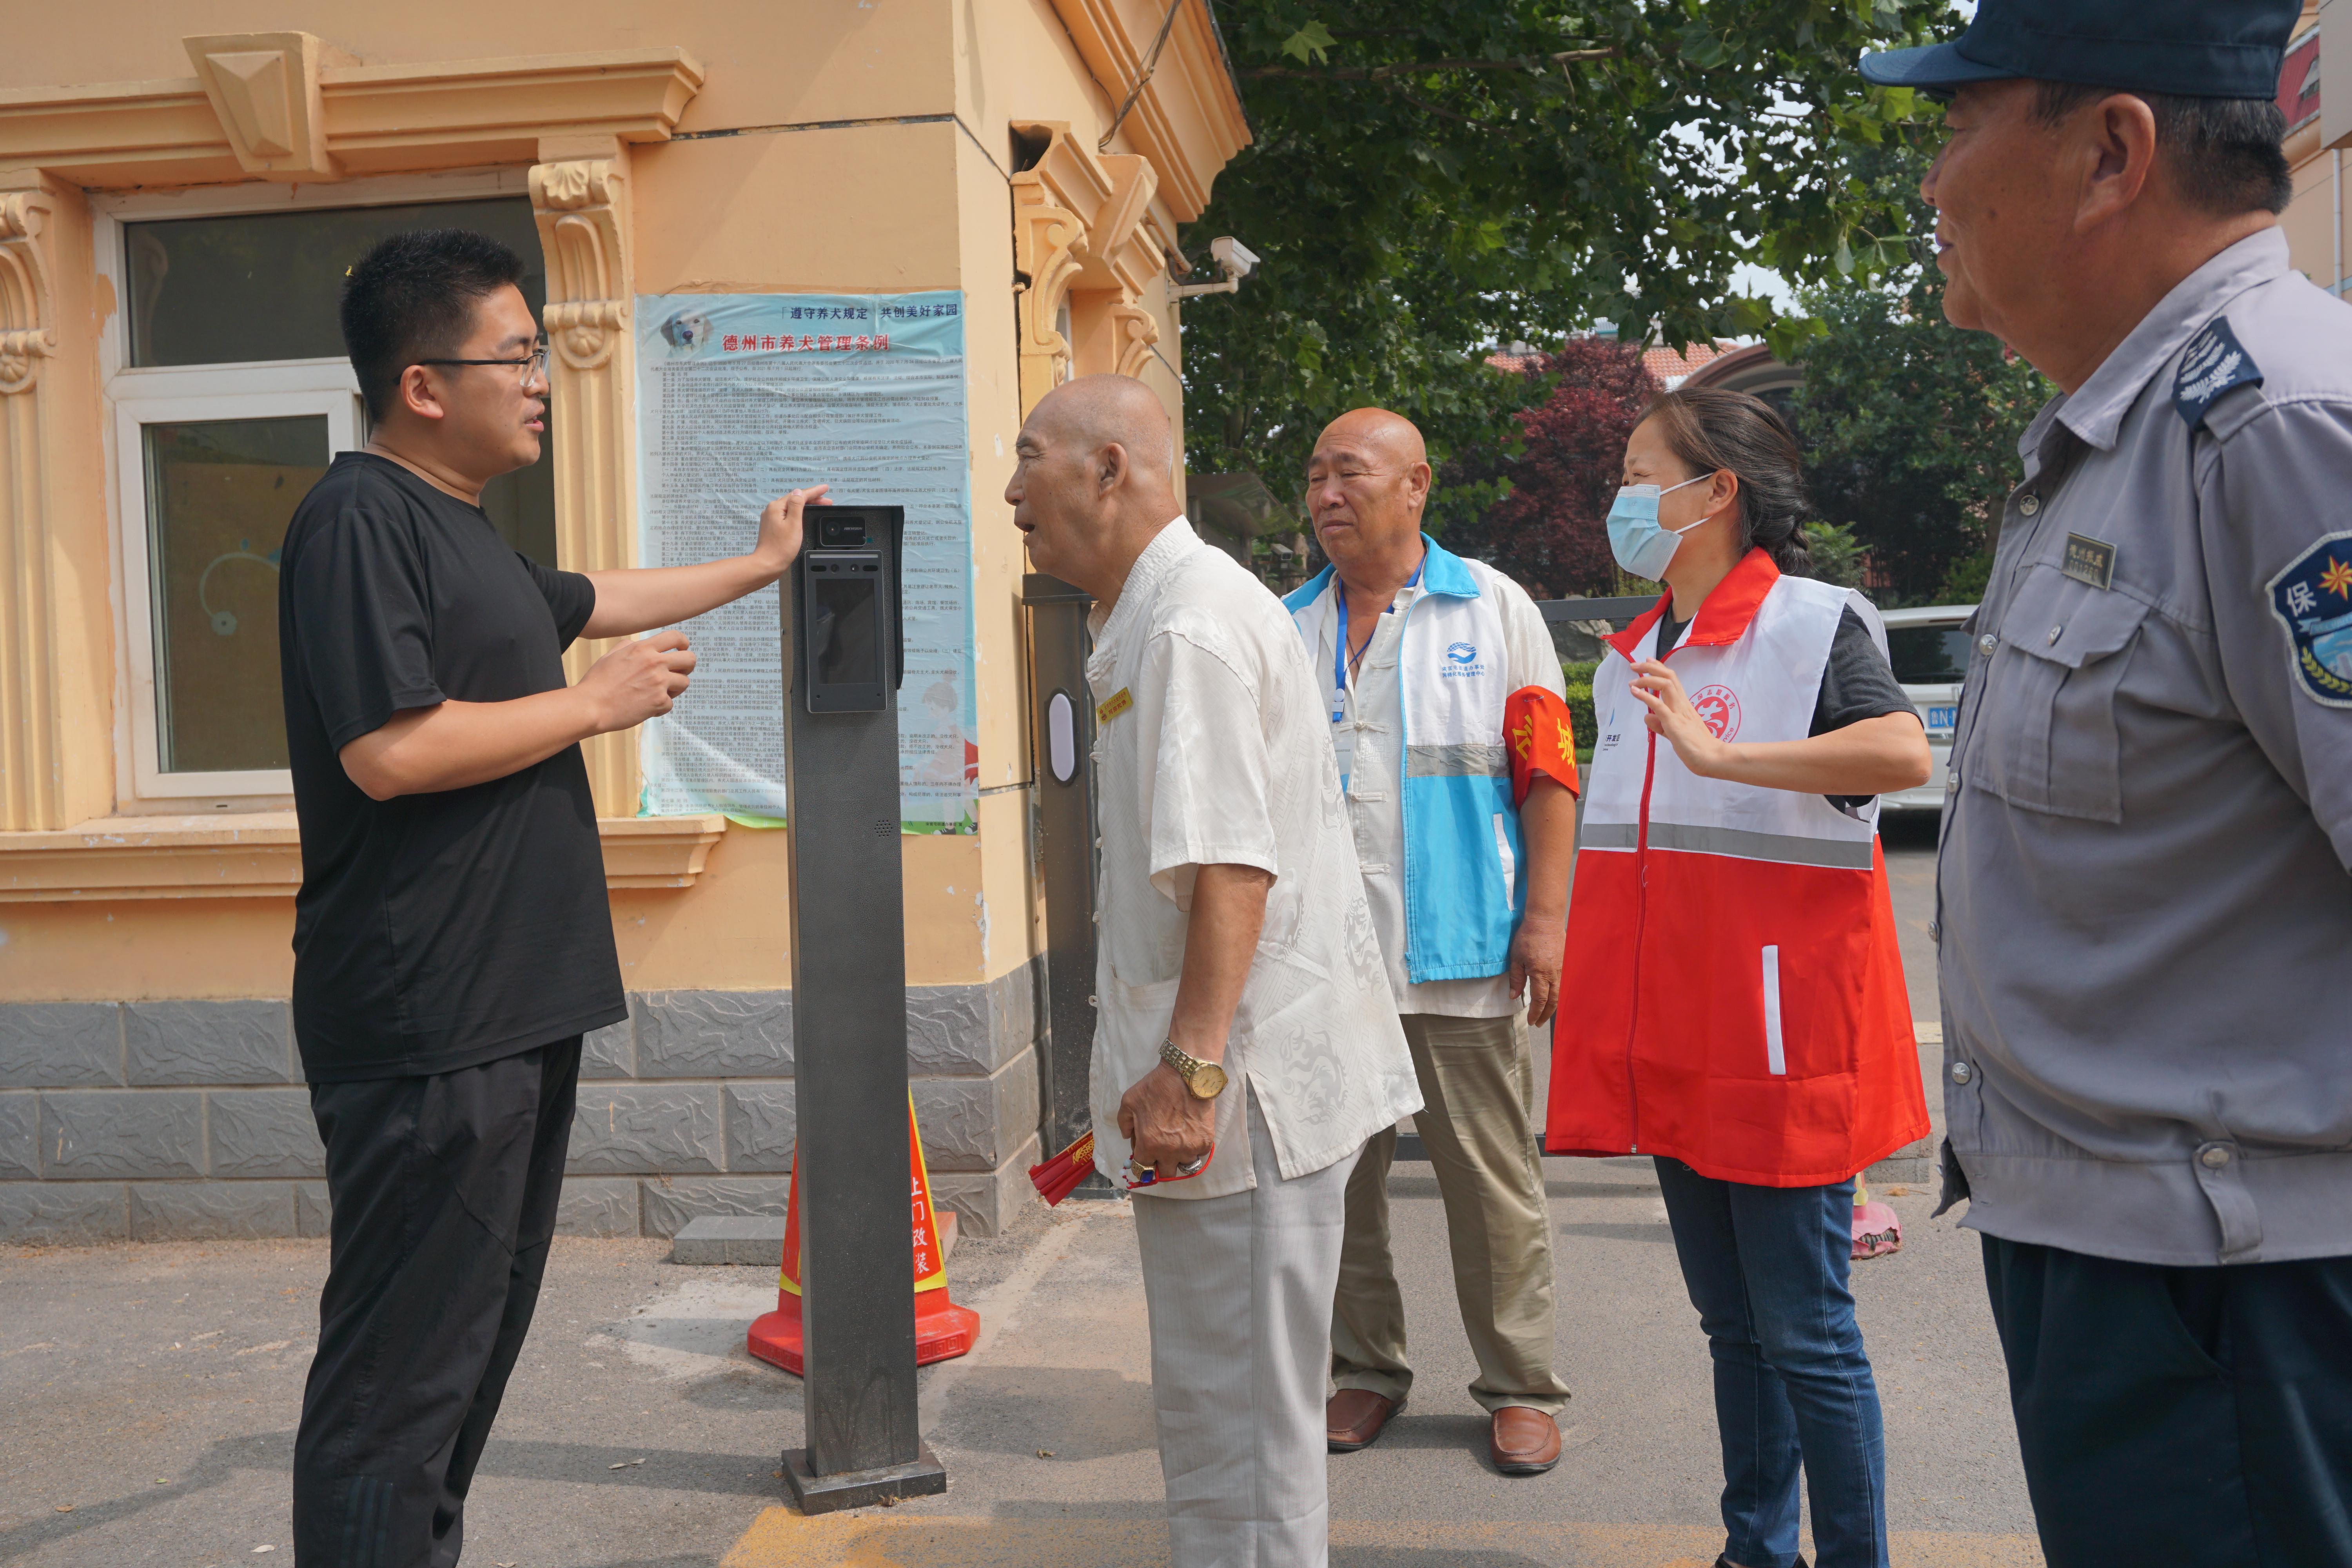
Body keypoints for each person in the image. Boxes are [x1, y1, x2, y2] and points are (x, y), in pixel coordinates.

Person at [1858, 2, 2352, 1560]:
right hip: (2137, 1258)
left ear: (2109, 153)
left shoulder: (2276, 421)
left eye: (1960, 124)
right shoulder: (2124, 428)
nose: (1933, 181)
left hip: (2242, 1298)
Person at [280, 228, 829, 1565]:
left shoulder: (462, 535)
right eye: (517, 357)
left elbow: (599, 599)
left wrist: (761, 565)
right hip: (430, 1019)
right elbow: (389, 750)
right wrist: (590, 707)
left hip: (508, 1010)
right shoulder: (356, 519)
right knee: (399, 1378)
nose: (540, 381)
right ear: (423, 385)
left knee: (466, 1354)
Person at [1006, 375, 1419, 1566]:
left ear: (1111, 471)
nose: (1012, 488)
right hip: (1230, 1095)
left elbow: (1233, 868)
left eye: (1033, 457)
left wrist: (1188, 1073)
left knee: (1242, 1433)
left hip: (1240, 1097)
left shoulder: (1188, 624)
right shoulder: (1152, 612)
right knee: (1217, 1410)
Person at [1545, 388, 1933, 1568]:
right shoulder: (1631, 659)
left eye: (1637, 471)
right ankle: (1756, 1548)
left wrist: (1723, 754)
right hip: (1675, 1039)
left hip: (1780, 1046)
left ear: (1716, 491)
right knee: (1732, 1330)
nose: (1619, 498)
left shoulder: (1814, 626)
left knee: (1808, 1334)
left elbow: (1902, 751)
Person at [1279, 408, 1579, 1474]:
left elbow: (1547, 775)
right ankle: (1366, 1372)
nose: (1326, 494)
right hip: (1324, 967)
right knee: (1338, 1193)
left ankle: (1520, 1386)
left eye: (1349, 472)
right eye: (1314, 475)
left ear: (1417, 485)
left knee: (1492, 1186)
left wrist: (1545, 920)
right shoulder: (1287, 623)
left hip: (1464, 953)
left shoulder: (1493, 609)